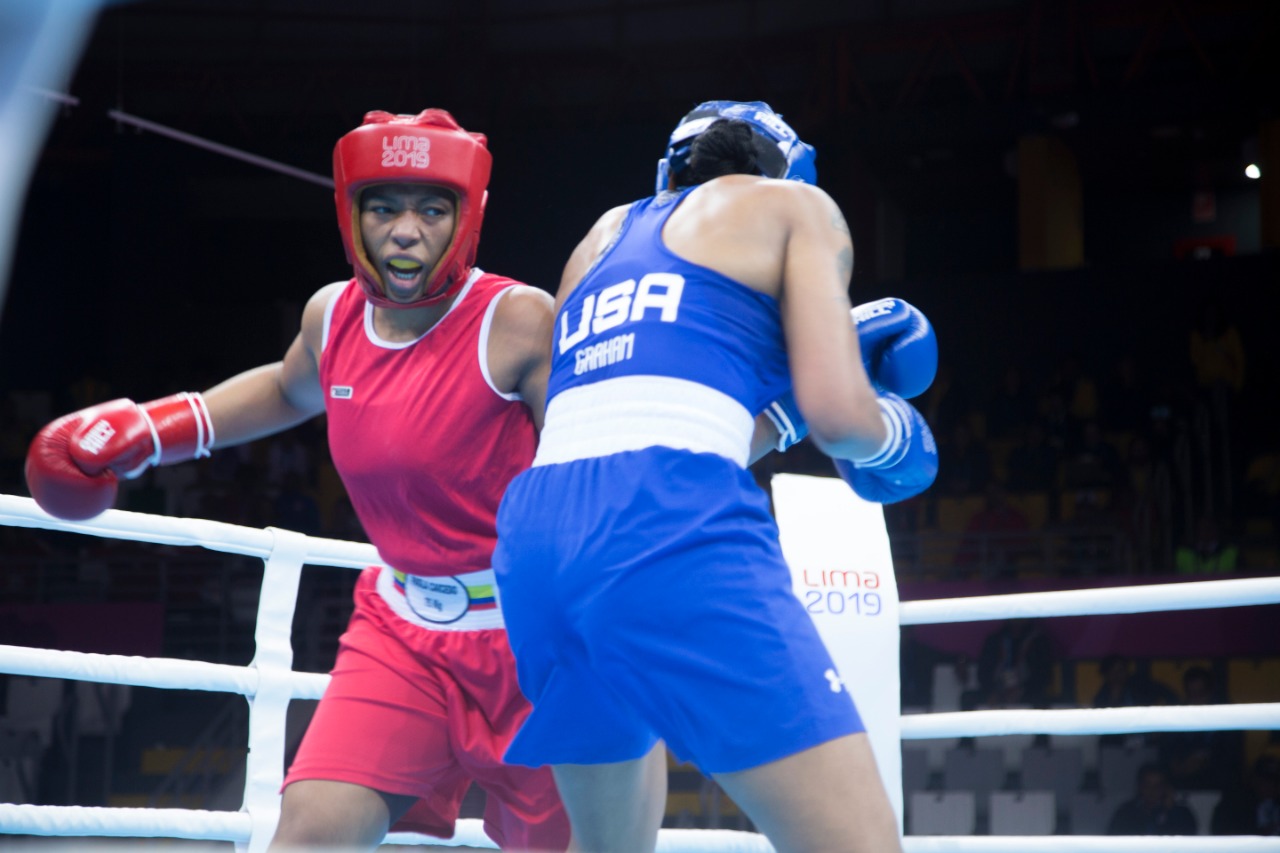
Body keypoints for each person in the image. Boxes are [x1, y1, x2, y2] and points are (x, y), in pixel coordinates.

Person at [23, 109, 570, 852]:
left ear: (466, 215)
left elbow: (594, 454)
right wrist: (151, 430)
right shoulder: (333, 315)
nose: (405, 230)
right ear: (352, 213)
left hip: (535, 639)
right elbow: (288, 389)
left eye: (431, 208)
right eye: (384, 207)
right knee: (307, 835)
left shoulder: (519, 320)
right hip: (403, 631)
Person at [491, 100, 937, 852]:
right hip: (669, 524)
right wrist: (895, 434)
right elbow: (840, 417)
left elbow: (632, 422)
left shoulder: (600, 236)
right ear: (785, 171)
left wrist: (782, 414)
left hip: (539, 539)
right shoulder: (799, 209)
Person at [1107, 762, 1198, 835]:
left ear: (1166, 787)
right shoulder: (1126, 812)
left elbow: (1187, 838)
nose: (1152, 790)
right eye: (1147, 785)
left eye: (1158, 786)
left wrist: (1171, 810)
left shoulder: (1182, 814)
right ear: (1140, 787)